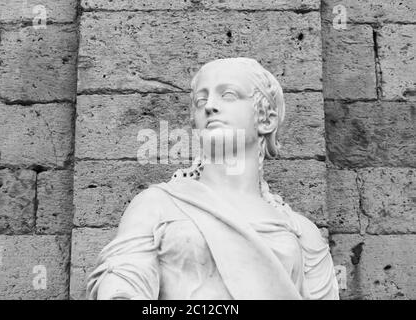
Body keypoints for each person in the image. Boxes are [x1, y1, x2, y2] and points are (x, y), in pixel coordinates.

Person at [86, 57, 340, 300]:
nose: (209, 106)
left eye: (228, 95)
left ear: (266, 119)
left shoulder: (302, 234)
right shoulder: (156, 206)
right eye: (200, 100)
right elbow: (122, 286)